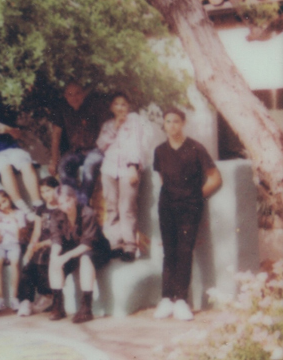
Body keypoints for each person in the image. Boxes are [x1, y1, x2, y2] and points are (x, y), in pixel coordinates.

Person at [153, 108, 222, 322]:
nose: (172, 125)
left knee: (184, 251)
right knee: (169, 252)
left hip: (190, 207)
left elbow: (215, 178)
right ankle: (166, 299)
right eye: (168, 121)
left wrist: (195, 196)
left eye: (176, 121)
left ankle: (181, 300)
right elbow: (163, 178)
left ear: (183, 123)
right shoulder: (160, 151)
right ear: (164, 124)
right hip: (167, 205)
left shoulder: (195, 148)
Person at [96, 92, 151, 261]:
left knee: (127, 207)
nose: (120, 107)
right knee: (112, 208)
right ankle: (115, 244)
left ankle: (129, 246)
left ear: (128, 107)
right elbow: (101, 145)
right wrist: (116, 127)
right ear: (111, 107)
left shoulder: (134, 121)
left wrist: (133, 167)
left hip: (128, 169)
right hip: (109, 170)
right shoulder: (108, 125)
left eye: (123, 104)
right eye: (116, 104)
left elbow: (136, 145)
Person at [47, 185, 110, 324]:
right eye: (61, 203)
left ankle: (86, 308)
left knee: (86, 258)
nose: (66, 205)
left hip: (97, 250)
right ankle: (58, 305)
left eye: (68, 200)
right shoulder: (56, 216)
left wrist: (65, 256)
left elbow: (87, 244)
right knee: (54, 260)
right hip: (75, 249)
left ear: (74, 198)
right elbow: (56, 239)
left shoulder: (88, 213)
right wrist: (55, 257)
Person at [49, 81, 112, 205]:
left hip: (95, 150)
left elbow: (106, 130)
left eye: (77, 93)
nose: (74, 97)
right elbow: (56, 136)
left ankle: (81, 204)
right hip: (76, 151)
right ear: (66, 96)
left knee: (89, 167)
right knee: (63, 165)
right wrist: (54, 160)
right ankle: (72, 200)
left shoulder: (94, 107)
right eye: (70, 94)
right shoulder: (63, 109)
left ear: (83, 94)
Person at [17, 176, 62, 316]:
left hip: (55, 244)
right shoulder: (41, 209)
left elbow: (61, 235)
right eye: (42, 192)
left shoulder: (62, 207)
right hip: (41, 244)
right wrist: (30, 248)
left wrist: (43, 244)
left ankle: (46, 296)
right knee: (28, 264)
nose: (45, 195)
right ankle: (26, 300)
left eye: (48, 190)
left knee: (43, 260)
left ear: (57, 189)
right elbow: (36, 231)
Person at [0, 189, 27, 311]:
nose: (3, 206)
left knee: (14, 262)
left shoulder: (19, 213)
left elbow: (19, 237)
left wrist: (14, 220)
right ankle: (0, 299)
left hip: (14, 244)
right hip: (1, 245)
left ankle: (14, 298)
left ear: (9, 198)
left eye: (4, 201)